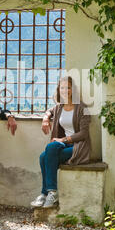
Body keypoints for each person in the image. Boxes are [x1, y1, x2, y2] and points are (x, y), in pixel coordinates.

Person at [31, 76, 91, 208]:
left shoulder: (83, 108)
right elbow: (49, 111)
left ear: (72, 89)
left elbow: (84, 133)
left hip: (78, 147)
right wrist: (45, 118)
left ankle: (49, 192)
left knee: (46, 154)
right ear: (59, 90)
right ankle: (47, 194)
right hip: (64, 145)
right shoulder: (59, 107)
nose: (65, 90)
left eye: (68, 87)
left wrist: (63, 139)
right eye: (62, 87)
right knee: (45, 154)